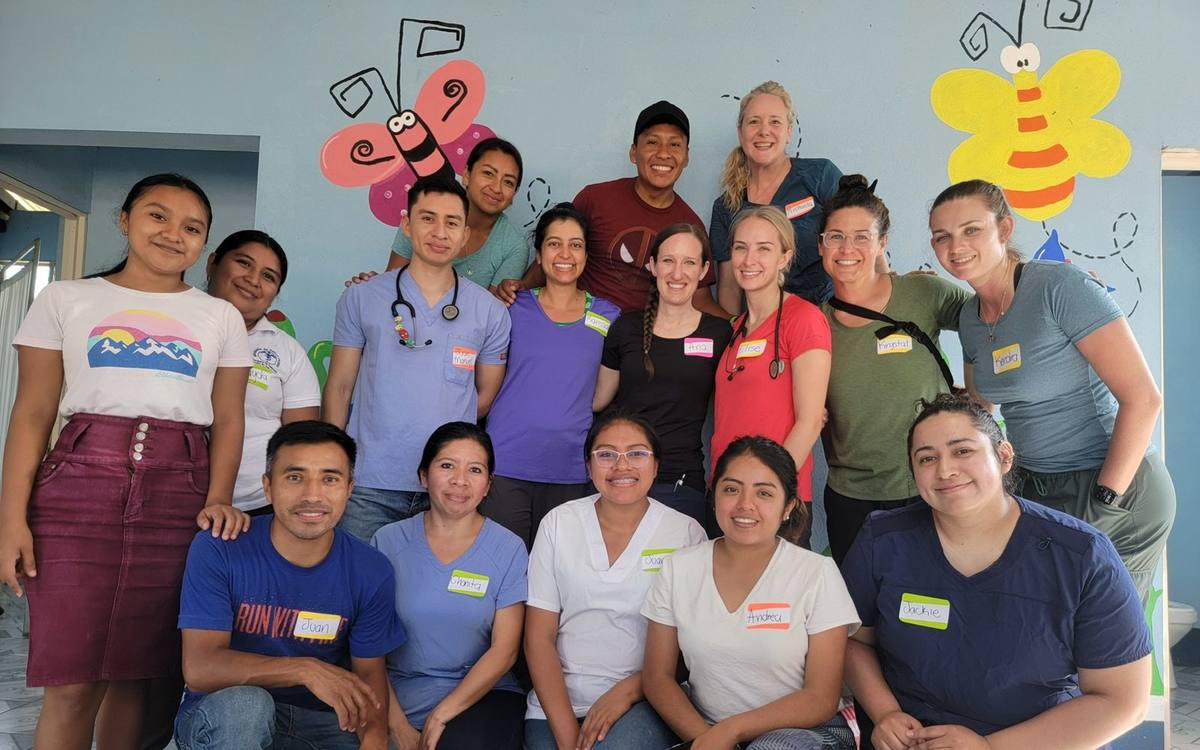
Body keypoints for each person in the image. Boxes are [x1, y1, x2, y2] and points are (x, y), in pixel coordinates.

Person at [0, 173, 251, 750]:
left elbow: (230, 420)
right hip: (76, 491)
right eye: (157, 216)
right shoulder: (65, 298)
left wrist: (217, 498)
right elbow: (33, 412)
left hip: (178, 493)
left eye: (192, 228)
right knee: (71, 682)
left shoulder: (221, 317)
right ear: (125, 220)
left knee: (137, 679)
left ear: (205, 245)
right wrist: (12, 518)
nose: (172, 234)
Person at [842, 394, 1152, 750]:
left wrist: (989, 747)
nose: (945, 471)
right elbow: (853, 641)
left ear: (1004, 457)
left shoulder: (1082, 555)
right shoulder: (884, 540)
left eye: (962, 451)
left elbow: (1123, 701)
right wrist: (885, 714)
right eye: (927, 458)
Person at [928, 179, 1175, 601]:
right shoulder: (970, 318)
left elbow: (1144, 398)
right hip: (1036, 485)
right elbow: (982, 411)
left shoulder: (1060, 288)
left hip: (1111, 483)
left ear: (1004, 230)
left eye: (972, 230)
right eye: (942, 236)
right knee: (1039, 631)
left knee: (1100, 637)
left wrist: (1104, 498)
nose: (956, 246)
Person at [173, 420, 406, 750]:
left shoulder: (371, 569)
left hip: (318, 720)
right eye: (295, 477)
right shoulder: (219, 547)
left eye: (330, 479)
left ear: (350, 489)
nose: (312, 495)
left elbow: (369, 675)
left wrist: (375, 739)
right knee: (247, 708)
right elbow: (200, 668)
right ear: (267, 486)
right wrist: (306, 670)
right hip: (223, 717)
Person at [324, 175, 511, 541]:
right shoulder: (361, 298)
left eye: (452, 222)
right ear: (407, 225)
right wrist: (334, 465)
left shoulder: (490, 311)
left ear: (465, 236)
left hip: (447, 489)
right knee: (361, 590)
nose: (439, 232)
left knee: (432, 594)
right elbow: (340, 387)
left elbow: (484, 397)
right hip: (368, 483)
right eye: (427, 218)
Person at [642, 436, 859, 750]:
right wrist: (707, 739)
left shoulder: (816, 573)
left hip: (805, 731)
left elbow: (820, 698)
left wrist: (731, 732)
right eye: (731, 489)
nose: (745, 504)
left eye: (764, 493)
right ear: (713, 496)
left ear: (788, 507)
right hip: (705, 727)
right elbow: (657, 678)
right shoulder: (680, 568)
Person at [524, 411, 707, 750]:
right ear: (588, 466)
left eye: (637, 454)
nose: (622, 466)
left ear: (655, 465)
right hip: (557, 702)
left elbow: (691, 649)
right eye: (606, 454)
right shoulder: (559, 524)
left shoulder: (686, 533)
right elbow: (538, 638)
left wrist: (627, 692)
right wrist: (567, 739)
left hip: (646, 699)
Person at [818, 176, 971, 564]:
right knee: (860, 616)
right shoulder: (813, 324)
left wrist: (1040, 280)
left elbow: (995, 316)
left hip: (932, 488)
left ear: (882, 243)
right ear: (820, 245)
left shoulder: (924, 294)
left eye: (861, 236)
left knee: (932, 609)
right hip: (852, 498)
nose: (847, 249)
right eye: (835, 237)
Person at [372, 422, 527, 750]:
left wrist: (443, 713)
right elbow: (368, 643)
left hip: (483, 696)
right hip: (396, 693)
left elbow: (505, 650)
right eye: (447, 466)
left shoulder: (509, 548)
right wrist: (397, 725)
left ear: (488, 485)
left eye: (475, 469)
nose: (460, 481)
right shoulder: (387, 541)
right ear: (424, 476)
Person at [498, 101, 726, 318]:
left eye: (675, 144)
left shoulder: (690, 226)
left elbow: (700, 301)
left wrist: (741, 324)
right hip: (582, 330)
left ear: (686, 157)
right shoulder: (595, 198)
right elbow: (559, 254)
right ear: (633, 152)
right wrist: (522, 288)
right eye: (652, 142)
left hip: (640, 344)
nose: (663, 153)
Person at [482, 203, 621, 547]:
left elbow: (603, 395)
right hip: (506, 463)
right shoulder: (511, 307)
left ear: (587, 255)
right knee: (505, 568)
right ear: (540, 254)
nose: (565, 254)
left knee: (557, 577)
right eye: (554, 243)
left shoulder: (609, 316)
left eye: (575, 245)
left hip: (570, 467)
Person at [593, 223, 733, 526]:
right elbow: (597, 400)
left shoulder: (720, 333)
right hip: (623, 476)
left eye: (689, 263)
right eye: (668, 260)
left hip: (682, 479)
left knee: (676, 572)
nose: (677, 273)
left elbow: (745, 392)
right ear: (652, 265)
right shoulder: (625, 328)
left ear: (704, 270)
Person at [712, 205, 830, 549]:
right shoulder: (734, 329)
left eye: (764, 248)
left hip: (774, 500)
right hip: (726, 493)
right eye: (740, 247)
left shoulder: (803, 319)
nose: (749, 259)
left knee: (777, 603)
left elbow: (809, 422)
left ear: (784, 257)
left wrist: (768, 492)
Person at [207, 230, 321, 514]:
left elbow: (300, 443)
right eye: (244, 263)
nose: (253, 280)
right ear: (212, 263)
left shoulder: (287, 352)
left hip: (258, 505)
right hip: (170, 492)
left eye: (269, 276)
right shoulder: (176, 330)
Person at [710, 81, 850, 313]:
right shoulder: (726, 207)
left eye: (775, 122)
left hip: (830, 317)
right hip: (766, 327)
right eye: (754, 122)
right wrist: (737, 335)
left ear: (788, 131)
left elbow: (861, 236)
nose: (764, 131)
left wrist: (887, 286)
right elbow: (729, 290)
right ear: (740, 131)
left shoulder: (820, 176)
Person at [344, 138, 530, 295]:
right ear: (466, 174)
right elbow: (392, 284)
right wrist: (373, 289)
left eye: (508, 182)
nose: (496, 188)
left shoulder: (514, 246)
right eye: (488, 173)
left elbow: (490, 315)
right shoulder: (424, 213)